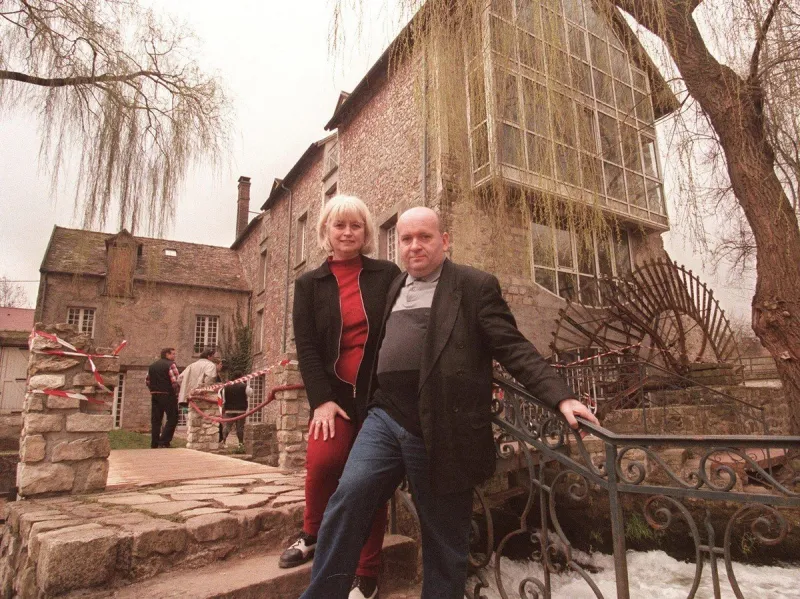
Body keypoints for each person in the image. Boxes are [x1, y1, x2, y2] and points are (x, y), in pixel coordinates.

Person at [300, 207, 599, 599]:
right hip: (385, 417)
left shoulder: (474, 287)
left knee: (443, 538)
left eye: (424, 236)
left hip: (440, 426)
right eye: (405, 239)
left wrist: (561, 396)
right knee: (348, 499)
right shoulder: (396, 285)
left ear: (445, 240)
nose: (414, 246)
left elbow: (512, 347)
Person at [280, 195, 401, 599]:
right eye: (339, 226)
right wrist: (321, 401)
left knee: (369, 479)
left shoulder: (387, 275)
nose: (347, 233)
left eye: (356, 226)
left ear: (366, 233)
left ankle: (365, 571)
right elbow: (308, 347)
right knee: (324, 462)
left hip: (377, 396)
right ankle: (312, 531)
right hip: (333, 395)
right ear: (325, 232)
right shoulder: (308, 284)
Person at [146, 347, 180, 448]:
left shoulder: (152, 366)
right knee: (173, 417)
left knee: (156, 420)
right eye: (173, 354)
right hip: (167, 394)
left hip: (155, 394)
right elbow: (176, 382)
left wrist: (153, 390)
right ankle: (164, 441)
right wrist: (177, 394)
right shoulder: (171, 365)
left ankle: (154, 443)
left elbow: (147, 381)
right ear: (167, 354)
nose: (174, 356)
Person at [220, 379, 252, 450]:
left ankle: (223, 442)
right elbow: (250, 394)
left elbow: (223, 398)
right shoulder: (244, 386)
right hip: (241, 410)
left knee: (227, 426)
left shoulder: (226, 387)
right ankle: (240, 444)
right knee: (240, 427)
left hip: (229, 409)